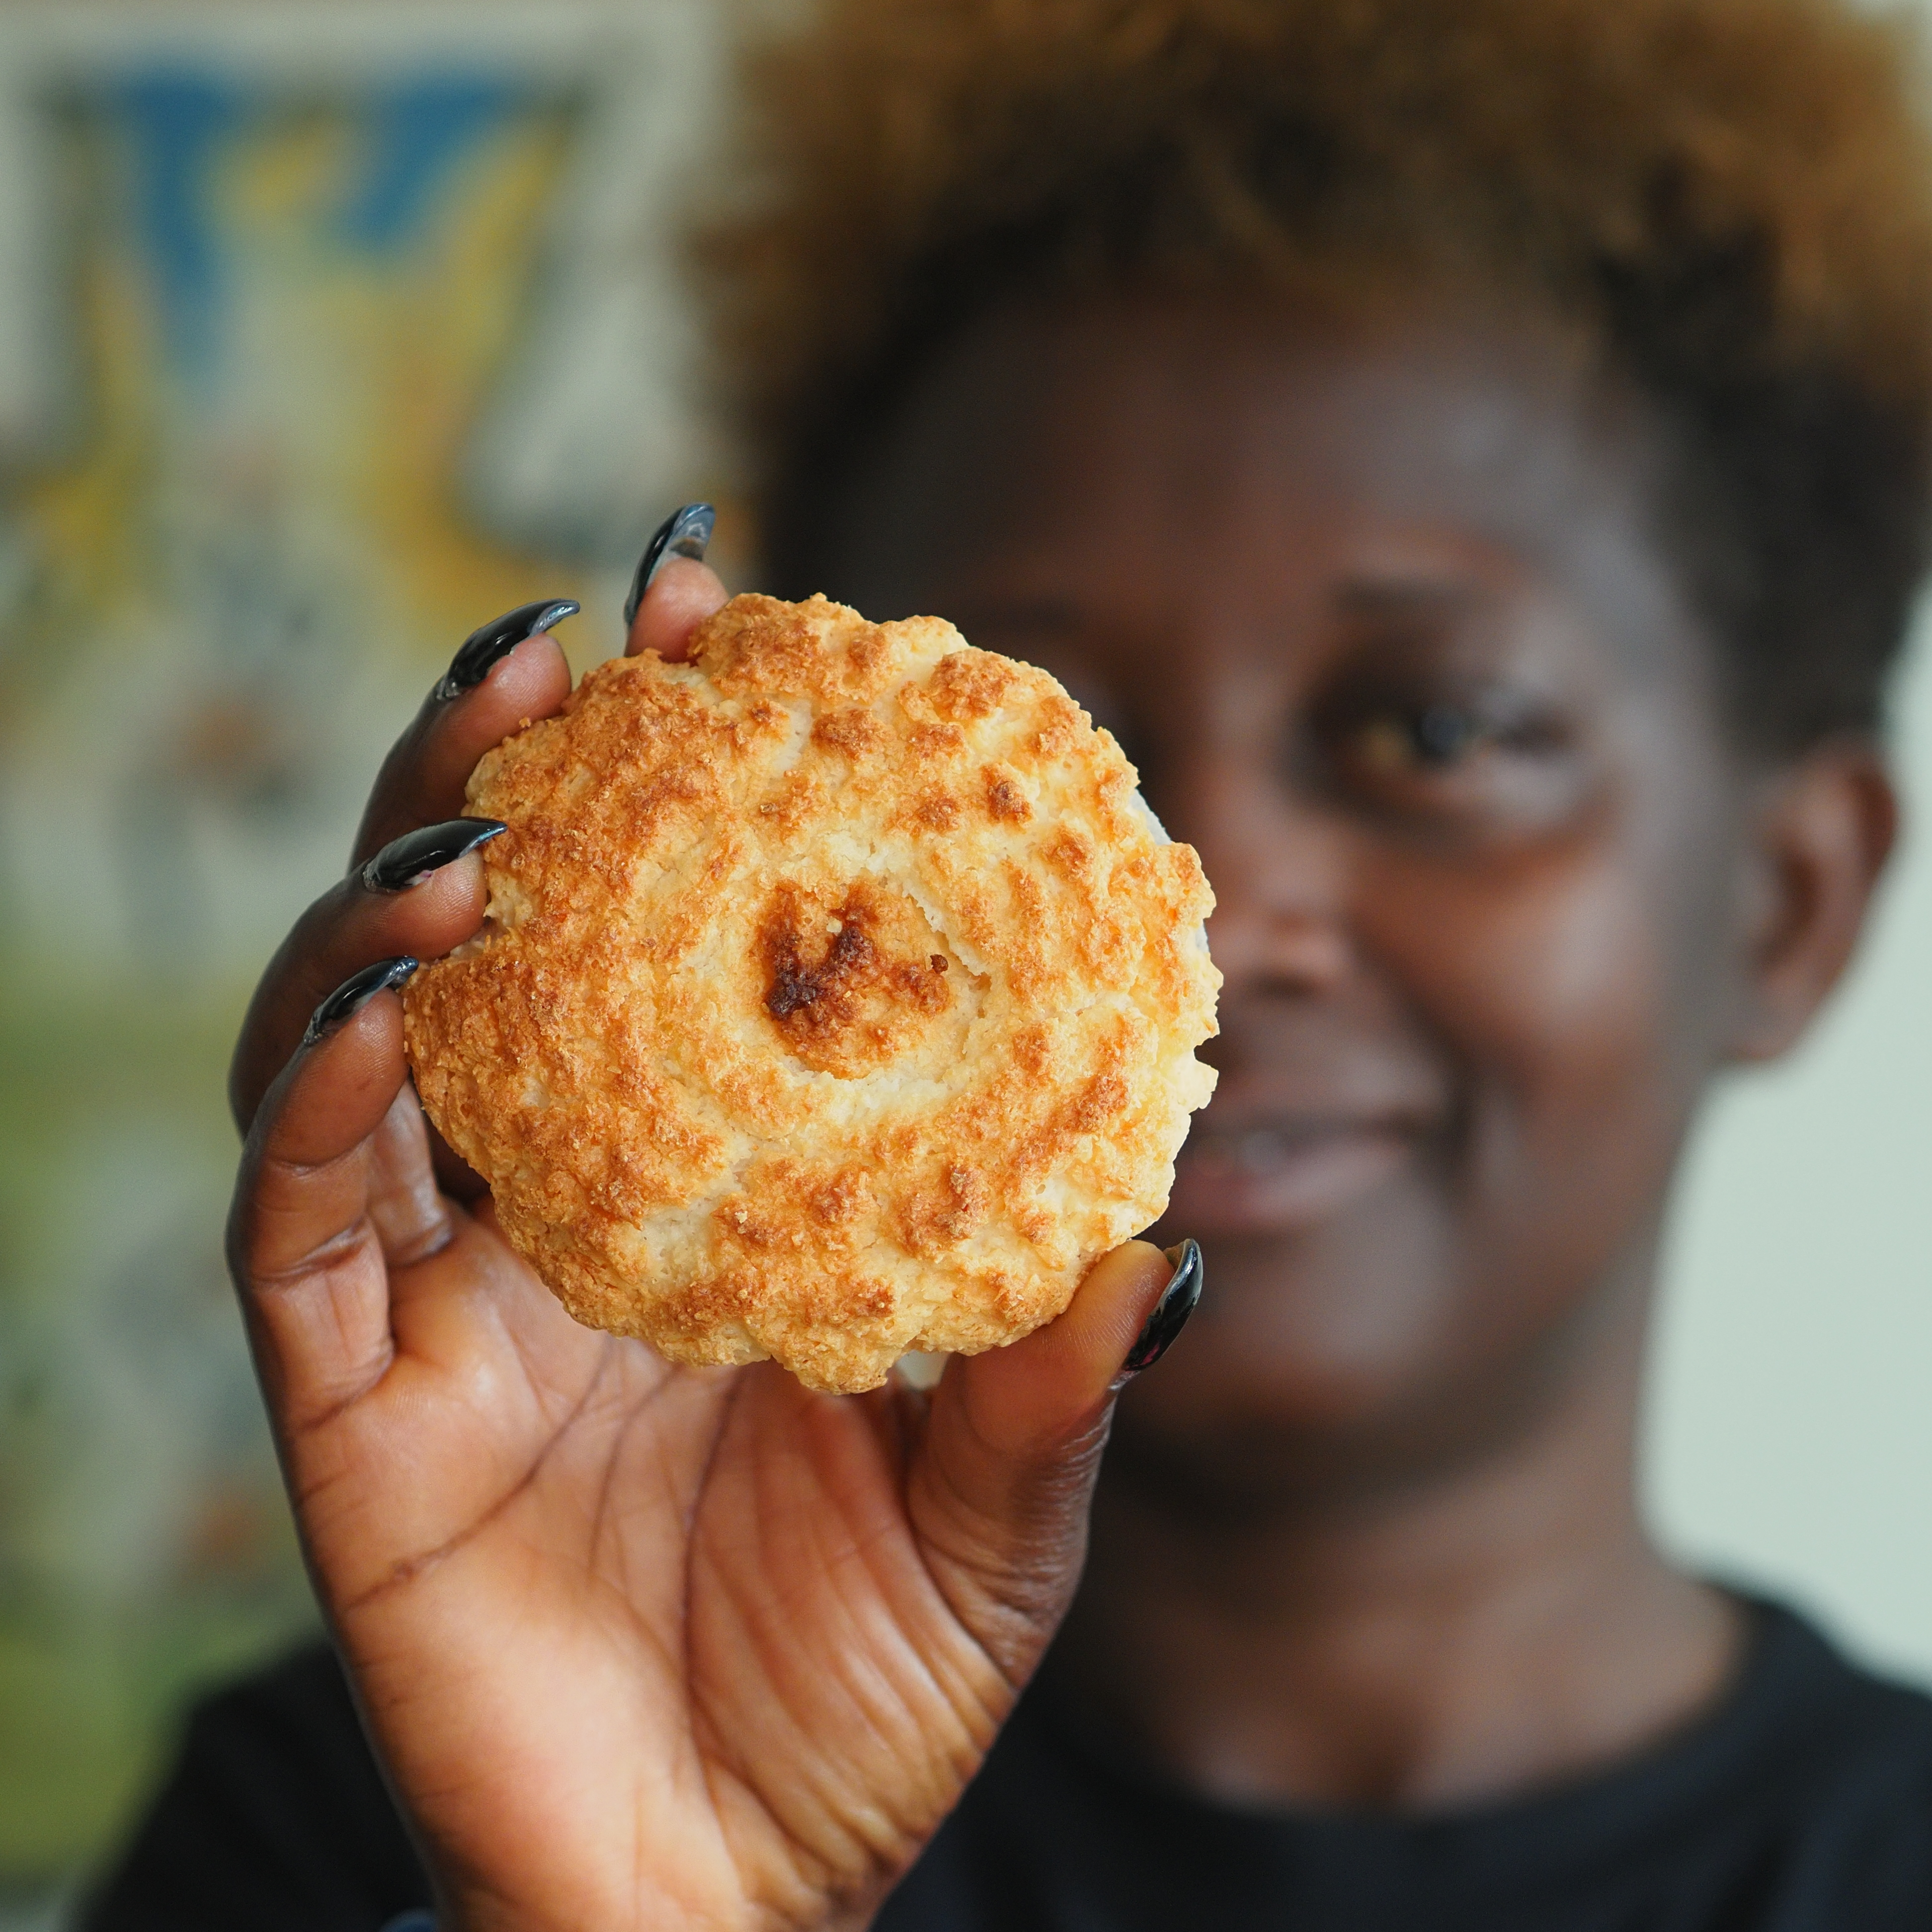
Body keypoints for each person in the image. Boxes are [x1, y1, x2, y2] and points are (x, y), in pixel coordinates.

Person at [82, 0, 1932, 1925]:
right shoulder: (355, 1819)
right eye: (1059, 731)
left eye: (1439, 734)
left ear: (1789, 902)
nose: (1211, 902)